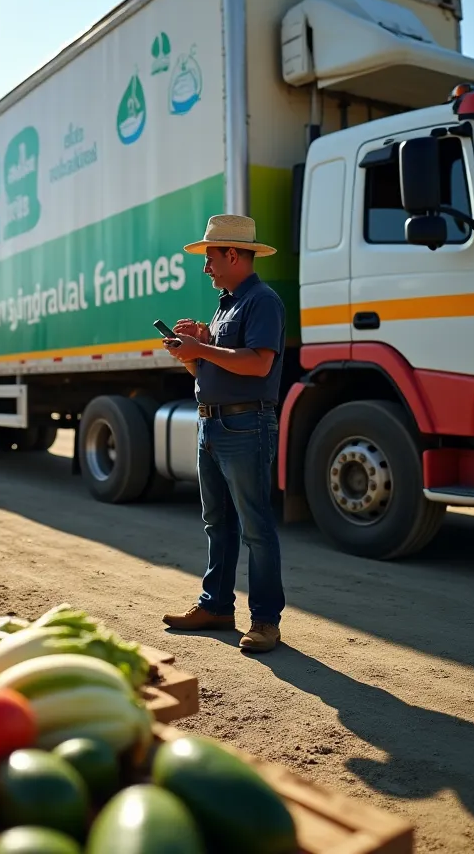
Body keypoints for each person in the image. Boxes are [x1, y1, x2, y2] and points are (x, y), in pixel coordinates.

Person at [162, 214, 287, 653]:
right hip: (212, 422)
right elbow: (214, 365)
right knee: (217, 523)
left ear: (233, 254)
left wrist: (202, 347)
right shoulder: (225, 304)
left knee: (255, 527)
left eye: (210, 257)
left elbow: (258, 364)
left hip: (244, 424)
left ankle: (266, 622)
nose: (205, 267)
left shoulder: (262, 301)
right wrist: (191, 354)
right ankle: (216, 606)